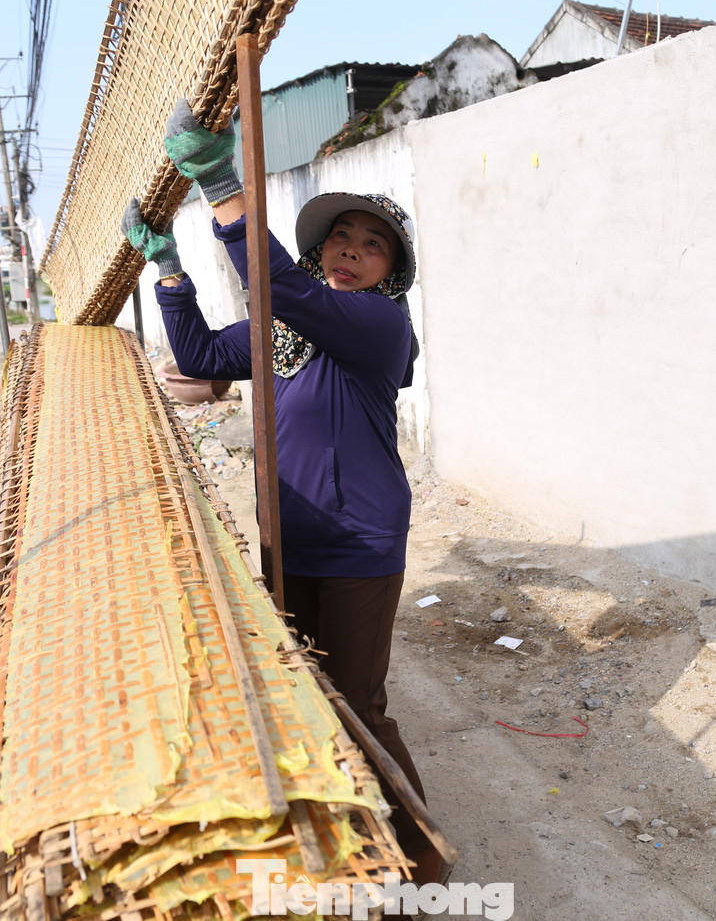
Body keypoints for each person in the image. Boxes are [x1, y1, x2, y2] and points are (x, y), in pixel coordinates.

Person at [122, 99, 440, 886]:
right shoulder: (283, 331)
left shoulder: (378, 326)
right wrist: (168, 267)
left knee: (359, 702)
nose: (352, 253)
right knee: (301, 690)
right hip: (288, 538)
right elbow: (197, 352)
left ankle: (426, 860)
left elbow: (288, 293)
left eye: (372, 247)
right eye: (341, 238)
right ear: (319, 249)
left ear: (389, 272)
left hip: (360, 542)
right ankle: (346, 841)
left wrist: (223, 186)